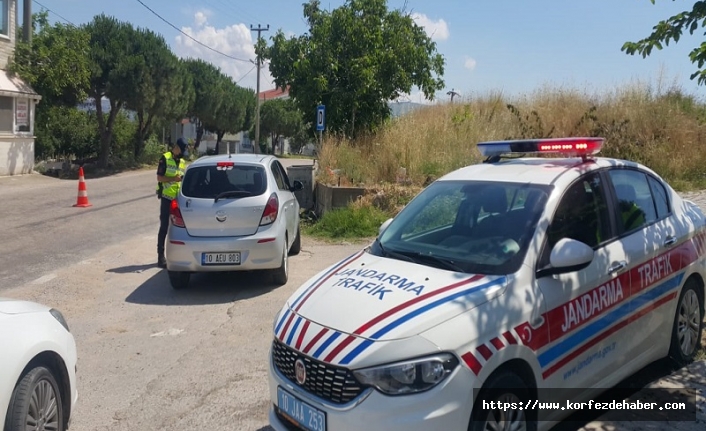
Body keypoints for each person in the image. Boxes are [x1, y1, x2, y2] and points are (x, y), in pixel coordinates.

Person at [156, 138, 188, 268]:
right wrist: (173, 178)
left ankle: (178, 255)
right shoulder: (165, 158)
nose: (181, 154)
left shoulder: (182, 162)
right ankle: (160, 257)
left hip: (178, 199)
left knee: (179, 227)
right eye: (181, 150)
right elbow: (159, 177)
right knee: (164, 226)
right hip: (166, 197)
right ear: (176, 147)